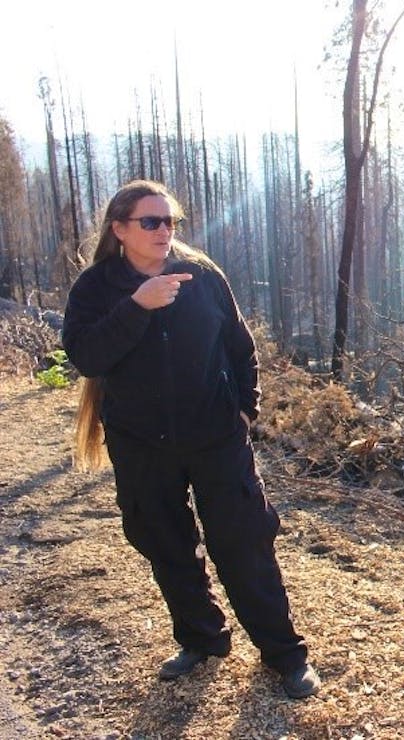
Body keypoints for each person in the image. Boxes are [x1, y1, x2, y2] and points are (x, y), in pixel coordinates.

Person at [62, 179, 320, 699]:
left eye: (170, 221)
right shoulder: (96, 288)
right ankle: (202, 639)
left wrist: (246, 411)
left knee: (244, 542)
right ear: (120, 229)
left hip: (216, 437)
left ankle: (285, 656)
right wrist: (138, 305)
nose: (164, 231)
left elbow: (239, 347)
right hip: (140, 443)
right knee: (165, 544)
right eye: (150, 222)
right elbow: (87, 357)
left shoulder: (202, 276)